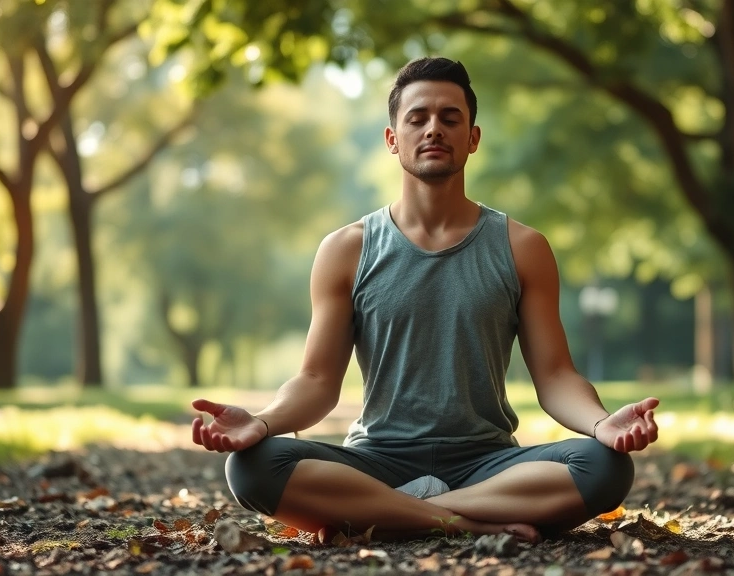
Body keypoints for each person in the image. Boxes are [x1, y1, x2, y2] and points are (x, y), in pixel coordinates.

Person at [192, 57, 659, 544]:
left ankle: (388, 516)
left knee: (604, 467)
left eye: (449, 118)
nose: (433, 129)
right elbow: (316, 382)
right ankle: (462, 522)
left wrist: (604, 424)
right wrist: (263, 422)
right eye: (417, 118)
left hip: (488, 465)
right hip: (377, 462)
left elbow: (557, 376)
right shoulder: (346, 250)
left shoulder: (523, 248)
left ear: (473, 138)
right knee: (251, 467)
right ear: (393, 139)